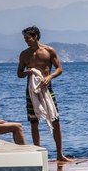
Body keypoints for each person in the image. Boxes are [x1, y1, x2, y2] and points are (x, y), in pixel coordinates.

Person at [17, 26, 71, 162]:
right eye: (24, 38)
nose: (26, 41)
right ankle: (38, 154)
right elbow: (19, 73)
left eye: (28, 38)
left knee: (55, 120)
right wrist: (27, 73)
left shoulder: (48, 51)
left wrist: (49, 77)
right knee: (34, 122)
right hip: (32, 91)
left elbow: (59, 68)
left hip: (47, 89)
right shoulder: (24, 54)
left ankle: (60, 154)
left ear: (35, 37)